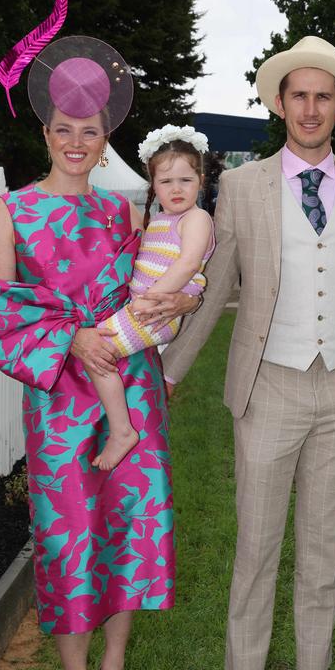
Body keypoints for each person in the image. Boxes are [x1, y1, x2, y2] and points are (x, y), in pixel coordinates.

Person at [162, 36, 335, 670]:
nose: (312, 107)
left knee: (324, 542)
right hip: (268, 386)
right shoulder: (241, 185)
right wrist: (169, 370)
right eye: (300, 95)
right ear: (281, 104)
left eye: (324, 96)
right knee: (257, 541)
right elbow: (215, 284)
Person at [0, 36, 198, 670]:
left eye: (91, 132)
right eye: (64, 131)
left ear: (107, 138)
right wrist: (70, 337)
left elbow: (157, 282)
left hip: (130, 392)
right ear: (45, 132)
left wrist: (184, 303)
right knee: (70, 537)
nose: (77, 143)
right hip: (61, 404)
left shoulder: (121, 213)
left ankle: (112, 665)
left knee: (132, 528)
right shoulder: (9, 213)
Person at [89, 125, 215, 470]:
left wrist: (152, 297)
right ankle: (117, 425)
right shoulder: (159, 219)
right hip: (143, 307)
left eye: (186, 180)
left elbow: (188, 263)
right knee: (100, 355)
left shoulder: (197, 218)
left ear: (200, 180)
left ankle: (121, 431)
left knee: (96, 352)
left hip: (157, 310)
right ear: (154, 184)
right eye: (166, 181)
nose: (176, 189)